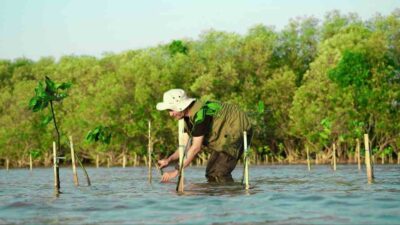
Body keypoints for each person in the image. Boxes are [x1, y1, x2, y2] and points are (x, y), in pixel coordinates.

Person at [156, 89, 252, 183]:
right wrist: (169, 160)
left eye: (171, 110)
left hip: (238, 128)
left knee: (218, 173)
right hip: (224, 135)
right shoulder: (186, 118)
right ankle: (221, 196)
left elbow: (195, 148)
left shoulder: (200, 115)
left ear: (181, 106)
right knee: (210, 173)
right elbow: (184, 146)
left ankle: (234, 195)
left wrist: (176, 171)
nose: (170, 114)